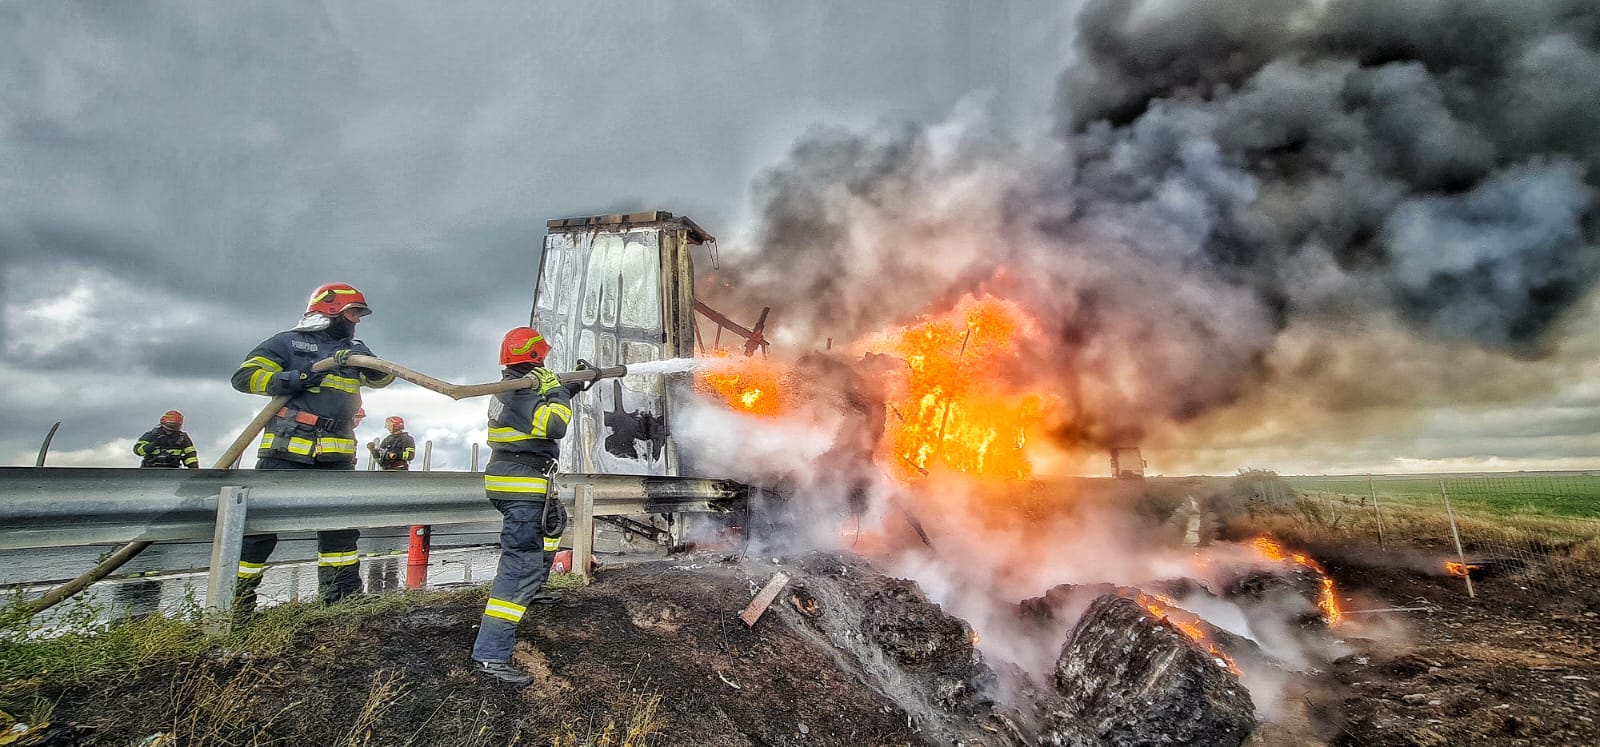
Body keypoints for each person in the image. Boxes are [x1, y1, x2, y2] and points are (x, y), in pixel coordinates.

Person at [228, 282, 394, 612]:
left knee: (340, 534)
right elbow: (245, 377)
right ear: (331, 311)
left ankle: (341, 604)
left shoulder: (355, 347)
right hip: (287, 452)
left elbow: (384, 378)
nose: (356, 320)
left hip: (336, 456)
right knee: (260, 531)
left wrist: (364, 362)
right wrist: (297, 377)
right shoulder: (288, 342)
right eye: (352, 313)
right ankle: (235, 606)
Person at [471, 326, 582, 685]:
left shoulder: (519, 387)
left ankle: (532, 592)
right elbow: (554, 424)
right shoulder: (516, 392)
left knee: (553, 526)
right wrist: (556, 390)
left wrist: (571, 386)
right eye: (543, 357)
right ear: (534, 358)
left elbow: (544, 408)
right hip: (521, 487)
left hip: (524, 482)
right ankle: (491, 654)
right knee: (519, 566)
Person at [133, 410, 200, 469]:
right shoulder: (151, 435)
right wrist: (153, 445)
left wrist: (194, 471)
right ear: (163, 423)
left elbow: (191, 456)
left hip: (173, 472)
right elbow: (138, 451)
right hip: (149, 471)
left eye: (175, 425)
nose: (172, 428)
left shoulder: (182, 438)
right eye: (170, 425)